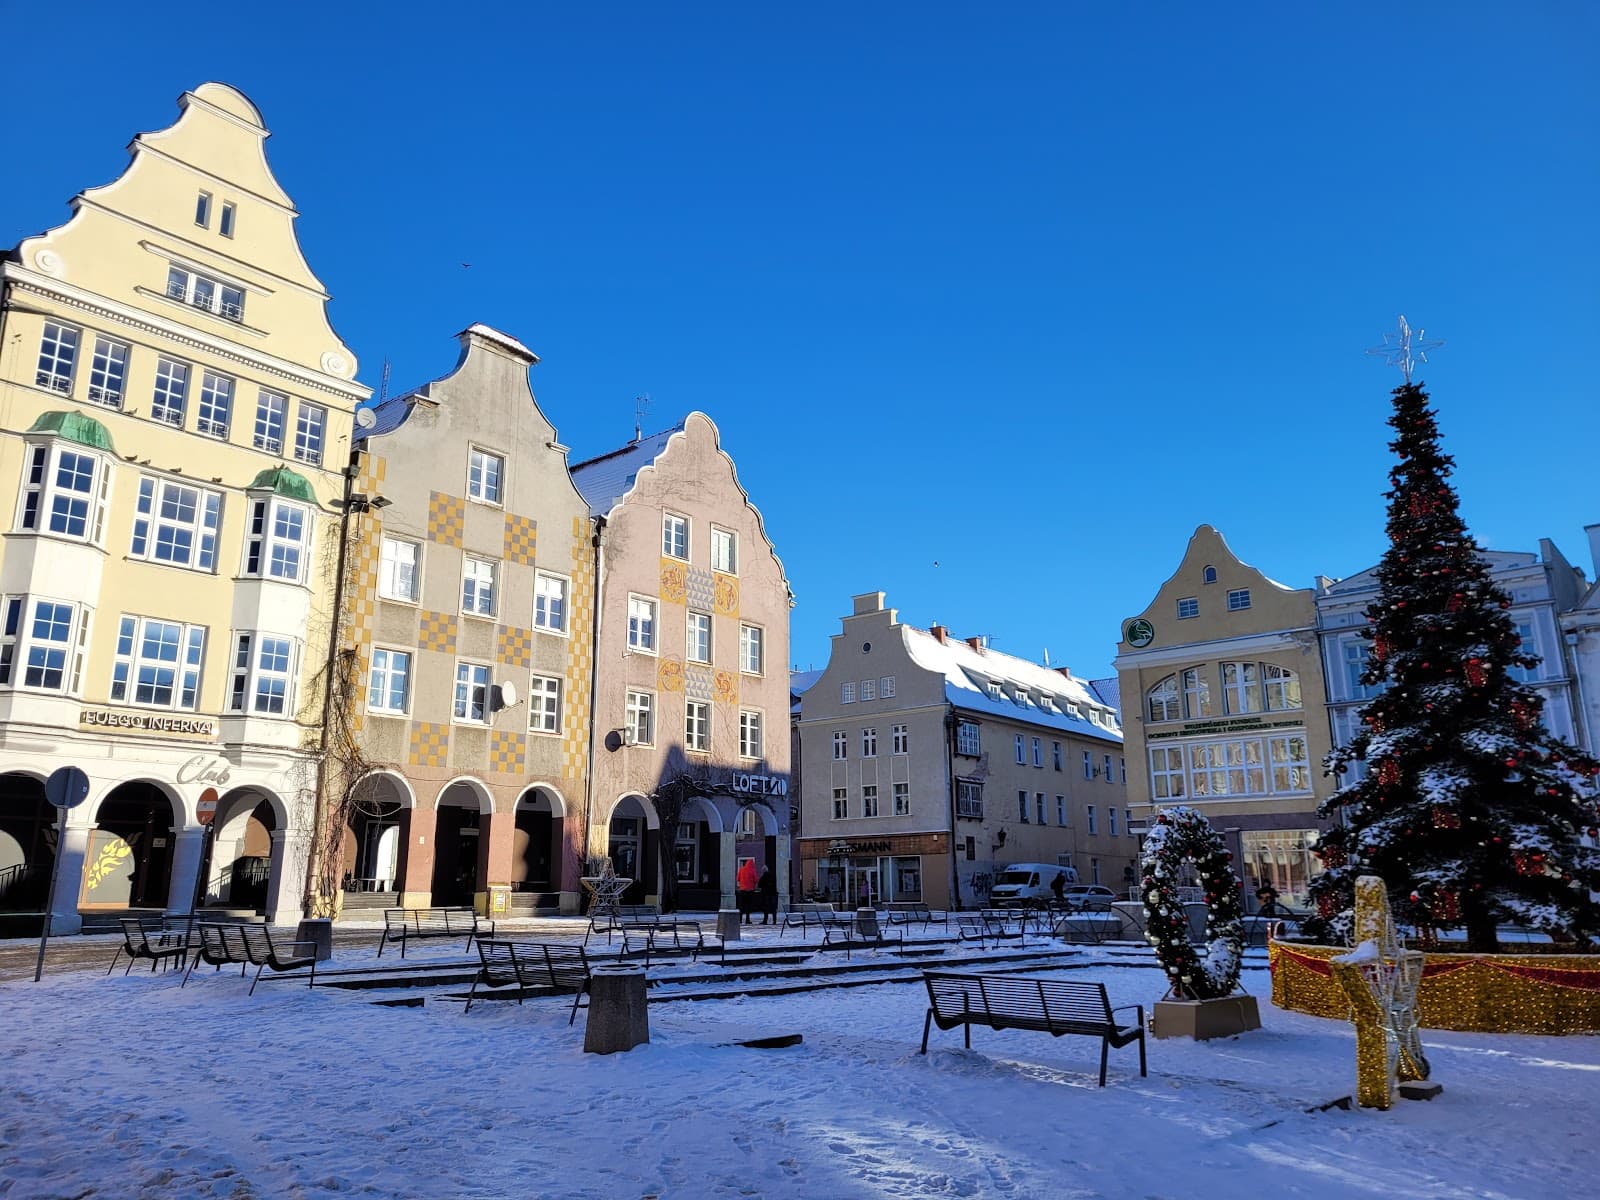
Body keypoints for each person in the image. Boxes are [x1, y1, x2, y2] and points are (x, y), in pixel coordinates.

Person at [736, 859, 759, 923]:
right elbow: (756, 880)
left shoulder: (741, 870)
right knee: (748, 905)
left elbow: (738, 879)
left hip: (742, 890)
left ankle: (740, 919)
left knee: (741, 905)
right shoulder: (752, 870)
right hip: (750, 891)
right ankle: (747, 919)